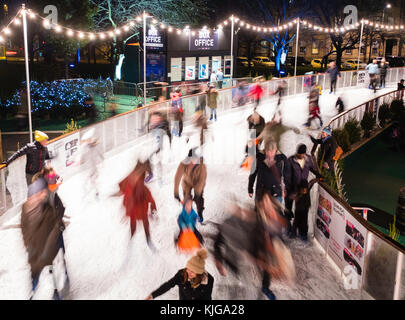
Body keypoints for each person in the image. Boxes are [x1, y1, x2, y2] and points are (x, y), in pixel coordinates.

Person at [22, 175, 68, 300]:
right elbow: (26, 227)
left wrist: (58, 223)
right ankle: (34, 291)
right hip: (38, 243)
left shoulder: (50, 197)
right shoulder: (32, 204)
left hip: (52, 238)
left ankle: (56, 288)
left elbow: (60, 209)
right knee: (37, 269)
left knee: (54, 263)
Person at [117, 159, 157, 249]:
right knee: (135, 220)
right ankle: (134, 236)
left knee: (143, 220)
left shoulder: (140, 180)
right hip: (135, 201)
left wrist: (153, 210)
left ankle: (147, 238)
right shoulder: (134, 177)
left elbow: (151, 199)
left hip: (140, 198)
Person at [145, 248, 214, 300]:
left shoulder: (209, 280)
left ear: (199, 273)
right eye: (188, 269)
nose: (188, 272)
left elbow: (207, 297)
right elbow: (168, 285)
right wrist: (153, 295)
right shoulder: (181, 274)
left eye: (192, 271)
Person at [285, 144, 322, 235]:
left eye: (303, 154)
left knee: (300, 211)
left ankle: (300, 231)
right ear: (297, 153)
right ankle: (288, 227)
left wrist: (318, 174)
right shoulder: (290, 161)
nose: (302, 156)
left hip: (303, 188)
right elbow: (287, 176)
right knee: (288, 209)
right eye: (300, 154)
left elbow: (312, 168)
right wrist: (290, 189)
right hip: (292, 188)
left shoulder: (308, 159)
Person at [248, 139, 289, 205]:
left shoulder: (282, 158)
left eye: (272, 151)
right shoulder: (258, 157)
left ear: (276, 149)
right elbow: (253, 174)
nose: (269, 154)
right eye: (268, 151)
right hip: (261, 191)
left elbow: (287, 176)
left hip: (276, 192)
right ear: (265, 149)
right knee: (260, 214)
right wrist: (250, 189)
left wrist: (285, 189)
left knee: (275, 213)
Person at [174, 153, 207, 223]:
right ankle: (188, 215)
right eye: (190, 160)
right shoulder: (184, 163)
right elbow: (177, 176)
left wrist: (197, 194)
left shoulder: (202, 166)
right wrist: (176, 192)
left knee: (199, 199)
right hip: (187, 182)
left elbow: (201, 181)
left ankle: (200, 212)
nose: (191, 162)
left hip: (197, 183)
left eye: (193, 160)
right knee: (187, 199)